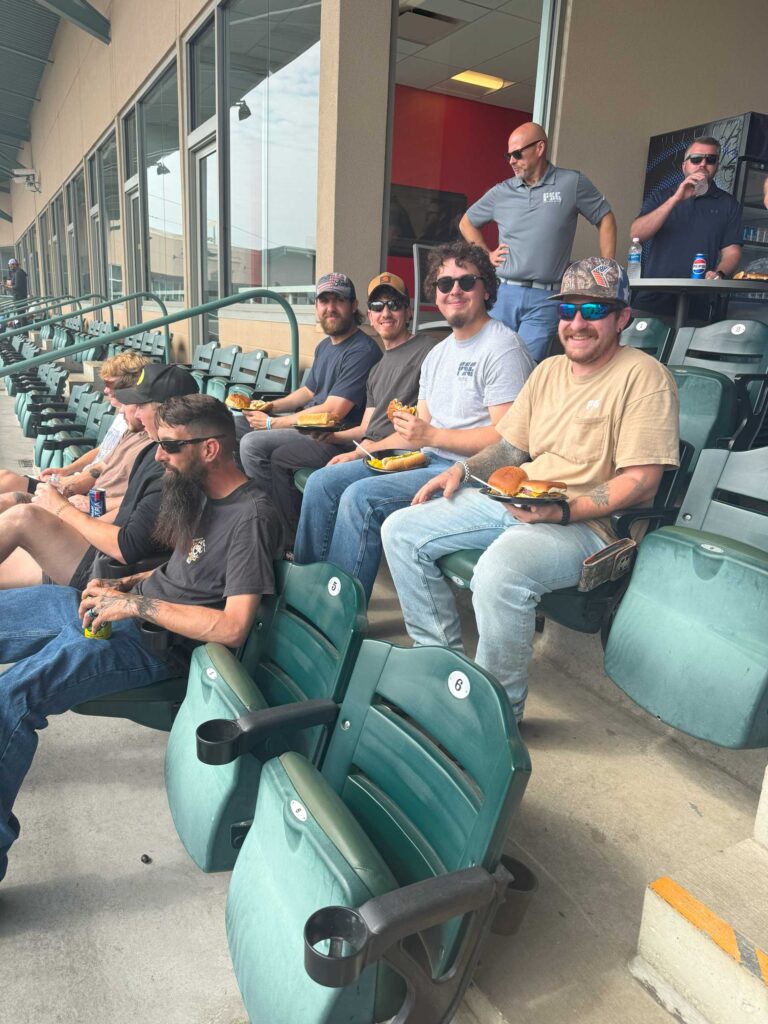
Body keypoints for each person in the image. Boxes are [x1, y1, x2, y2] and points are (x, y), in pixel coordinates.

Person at [381, 257, 680, 723]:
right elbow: (510, 447)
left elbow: (642, 482)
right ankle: (440, 670)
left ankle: (492, 719)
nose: (577, 323)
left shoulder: (645, 376)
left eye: (594, 310)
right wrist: (462, 471)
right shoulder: (548, 371)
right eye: (568, 310)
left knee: (499, 572)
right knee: (400, 529)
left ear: (622, 317)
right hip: (519, 501)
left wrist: (564, 511)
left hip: (589, 526)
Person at [0, 393, 284, 883]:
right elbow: (185, 573)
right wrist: (127, 585)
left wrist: (136, 606)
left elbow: (233, 625)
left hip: (153, 643)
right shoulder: (201, 495)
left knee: (12, 697)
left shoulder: (251, 516)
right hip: (124, 610)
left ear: (210, 449)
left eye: (169, 446)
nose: (159, 456)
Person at [294, 241, 534, 600]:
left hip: (473, 474)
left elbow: (508, 442)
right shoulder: (438, 354)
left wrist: (432, 436)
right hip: (427, 460)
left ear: (486, 289)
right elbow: (417, 434)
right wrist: (363, 451)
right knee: (322, 482)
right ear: (434, 294)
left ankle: (339, 609)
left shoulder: (503, 349)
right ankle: (305, 592)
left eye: (466, 282)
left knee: (360, 498)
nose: (454, 291)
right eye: (445, 283)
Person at [267, 272, 438, 539]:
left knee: (323, 483)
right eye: (378, 306)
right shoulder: (377, 369)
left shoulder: (428, 350)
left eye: (394, 305)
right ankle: (296, 550)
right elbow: (366, 427)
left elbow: (422, 430)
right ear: (369, 315)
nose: (386, 313)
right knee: (312, 475)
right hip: (369, 450)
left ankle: (299, 553)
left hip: (396, 453)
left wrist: (358, 452)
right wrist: (333, 437)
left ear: (408, 311)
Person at [0, 361, 198, 590]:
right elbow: (125, 511)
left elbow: (126, 548)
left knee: (23, 516)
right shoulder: (151, 452)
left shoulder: (171, 466)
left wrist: (62, 509)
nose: (127, 410)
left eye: (139, 405)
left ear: (167, 411)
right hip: (95, 548)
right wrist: (70, 516)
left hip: (103, 573)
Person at [459, 122, 616, 363]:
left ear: (540, 148)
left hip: (545, 297)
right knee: (489, 360)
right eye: (508, 156)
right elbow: (467, 222)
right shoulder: (502, 192)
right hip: (503, 293)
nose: (512, 161)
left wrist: (605, 269)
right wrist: (486, 253)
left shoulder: (571, 183)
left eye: (517, 154)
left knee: (524, 365)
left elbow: (605, 218)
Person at [238, 272, 382, 497]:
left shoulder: (362, 351)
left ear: (354, 306)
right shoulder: (324, 346)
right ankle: (239, 502)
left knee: (252, 445)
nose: (331, 308)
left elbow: (333, 411)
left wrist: (272, 423)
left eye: (339, 300)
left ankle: (265, 512)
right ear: (316, 306)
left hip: (332, 436)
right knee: (234, 425)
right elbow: (308, 391)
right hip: (306, 426)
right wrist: (269, 407)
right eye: (324, 301)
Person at [0, 352, 150, 513]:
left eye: (110, 384)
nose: (105, 390)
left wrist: (69, 485)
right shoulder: (123, 417)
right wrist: (65, 472)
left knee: (9, 501)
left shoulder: (140, 430)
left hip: (88, 498)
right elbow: (102, 452)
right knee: (4, 477)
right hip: (79, 486)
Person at [631, 137, 742, 320]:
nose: (703, 164)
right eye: (696, 159)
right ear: (684, 166)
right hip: (652, 300)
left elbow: (732, 251)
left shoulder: (728, 204)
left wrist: (719, 274)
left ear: (717, 166)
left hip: (698, 305)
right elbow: (636, 234)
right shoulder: (662, 196)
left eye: (710, 159)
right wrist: (676, 199)